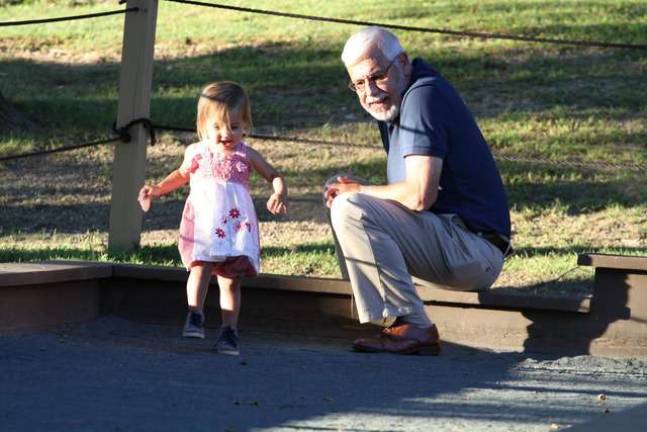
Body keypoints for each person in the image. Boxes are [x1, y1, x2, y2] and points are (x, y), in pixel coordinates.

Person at [325, 27, 511, 356]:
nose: (370, 92)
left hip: (472, 250)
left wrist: (360, 192)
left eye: (377, 76)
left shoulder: (422, 96)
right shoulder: (398, 100)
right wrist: (358, 191)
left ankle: (412, 326)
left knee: (350, 207)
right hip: (457, 243)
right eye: (358, 83)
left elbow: (419, 196)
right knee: (348, 202)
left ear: (403, 62)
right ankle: (394, 322)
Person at [139, 81, 288, 355]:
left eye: (234, 126)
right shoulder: (197, 152)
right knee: (200, 266)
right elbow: (181, 175)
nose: (226, 134)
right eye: (217, 127)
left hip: (235, 225)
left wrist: (279, 191)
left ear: (245, 124)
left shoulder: (246, 154)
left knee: (230, 279)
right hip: (206, 222)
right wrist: (158, 189)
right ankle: (195, 313)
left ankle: (229, 331)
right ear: (203, 125)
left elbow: (273, 175)